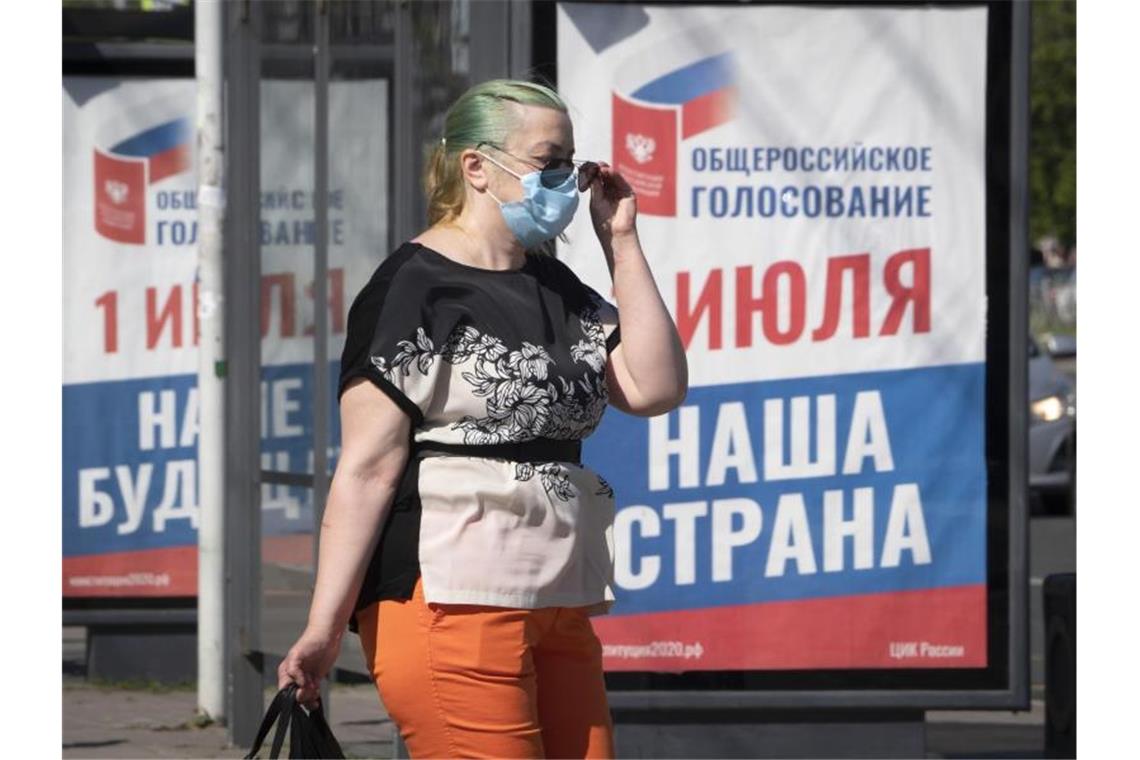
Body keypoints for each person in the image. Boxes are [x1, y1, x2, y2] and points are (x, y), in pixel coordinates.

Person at [276, 78, 687, 758]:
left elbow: (654, 387)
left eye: (572, 164)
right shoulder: (413, 287)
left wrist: (621, 243)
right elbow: (368, 469)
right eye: (548, 160)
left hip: (559, 598)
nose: (566, 181)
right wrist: (322, 627)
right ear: (477, 167)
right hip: (452, 597)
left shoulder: (557, 287)